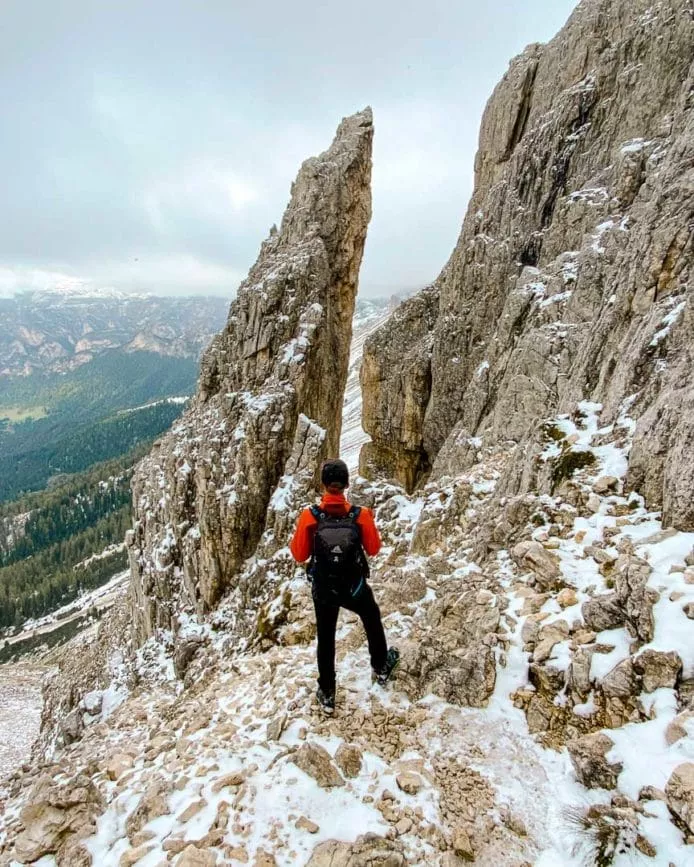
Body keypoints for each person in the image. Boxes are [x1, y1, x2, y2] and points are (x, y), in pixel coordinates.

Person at [290, 458, 399, 715]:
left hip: (324, 588)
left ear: (324, 484)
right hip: (354, 586)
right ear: (347, 484)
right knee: (371, 616)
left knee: (326, 638)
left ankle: (327, 692)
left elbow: (299, 554)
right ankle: (381, 667)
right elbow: (374, 548)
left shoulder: (310, 516)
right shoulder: (359, 515)